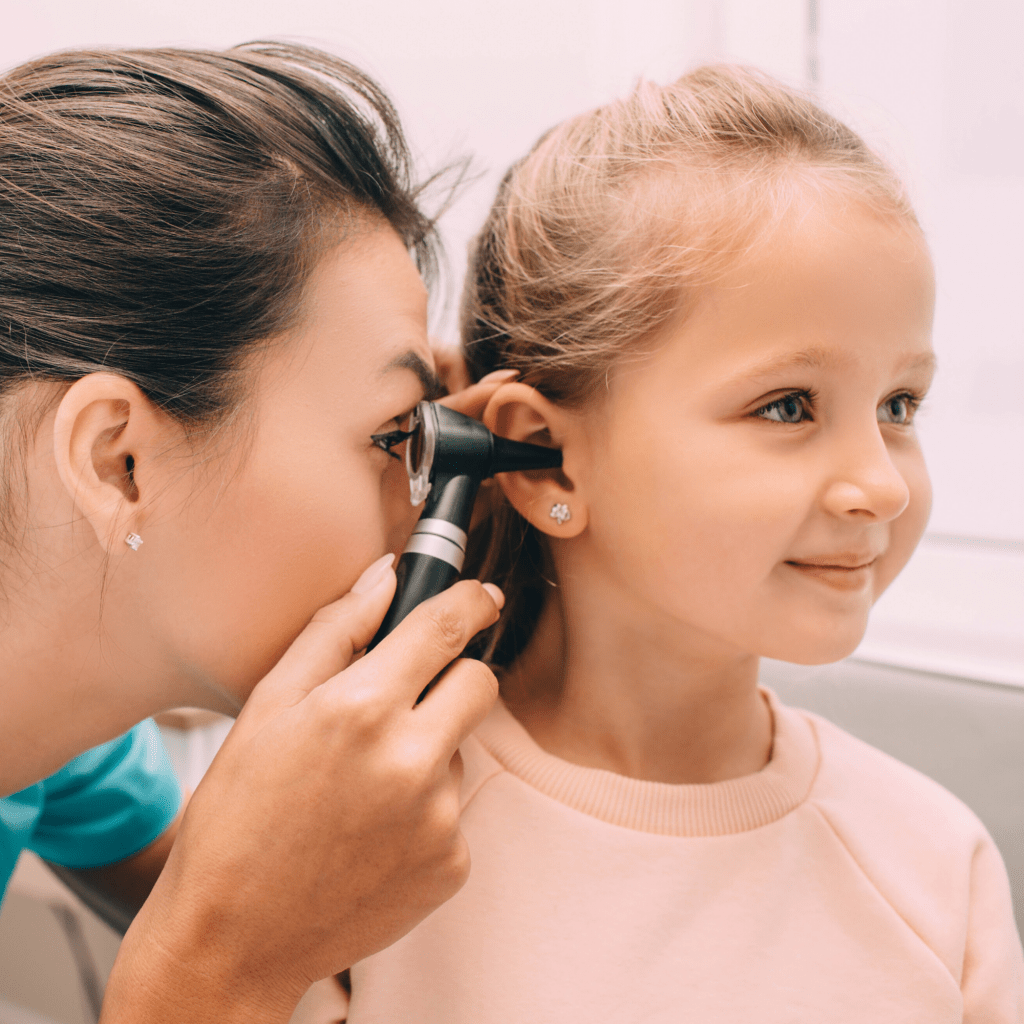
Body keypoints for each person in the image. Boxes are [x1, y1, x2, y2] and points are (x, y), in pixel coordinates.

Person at [342, 66, 1024, 1020]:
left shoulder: (934, 865)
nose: (880, 483)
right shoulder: (363, 849)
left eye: (899, 404)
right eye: (788, 406)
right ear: (547, 465)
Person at [0, 43, 511, 1023]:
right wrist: (218, 969)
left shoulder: (62, 742)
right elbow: (228, 944)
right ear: (119, 463)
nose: (431, 506)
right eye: (396, 436)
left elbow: (289, 915)